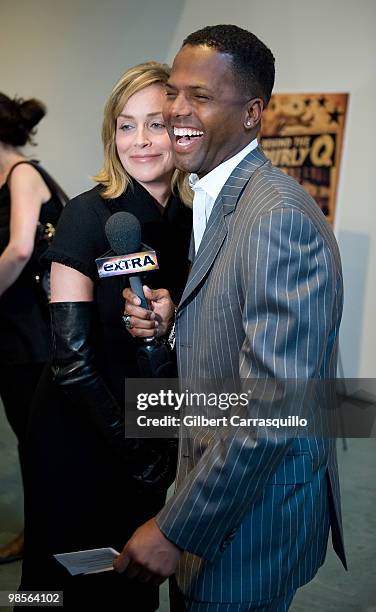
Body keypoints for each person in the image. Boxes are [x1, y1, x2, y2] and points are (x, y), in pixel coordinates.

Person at [118, 25, 347, 611]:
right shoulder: (216, 195)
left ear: (251, 113)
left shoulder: (277, 218)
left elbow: (272, 405)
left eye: (200, 96)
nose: (176, 110)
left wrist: (175, 529)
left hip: (251, 517)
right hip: (213, 486)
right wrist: (180, 322)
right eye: (173, 92)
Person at [20, 61, 192, 610]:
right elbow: (71, 359)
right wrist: (134, 450)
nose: (138, 141)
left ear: (183, 130)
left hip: (150, 423)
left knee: (132, 578)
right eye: (125, 124)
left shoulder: (196, 216)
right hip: (81, 429)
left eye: (156, 124)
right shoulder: (88, 216)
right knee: (63, 585)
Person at [0, 93, 66, 564]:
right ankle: (42, 533)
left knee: (38, 439)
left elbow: (20, 250)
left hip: (32, 333)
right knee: (28, 437)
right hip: (12, 330)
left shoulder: (23, 174)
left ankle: (46, 538)